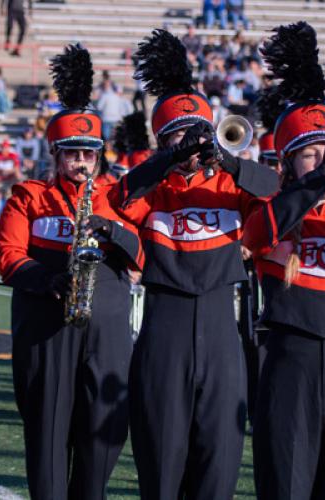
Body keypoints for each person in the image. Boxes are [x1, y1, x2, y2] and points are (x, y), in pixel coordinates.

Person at [111, 30, 278, 500]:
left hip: (223, 327)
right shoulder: (155, 189)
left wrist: (226, 158)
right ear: (163, 141)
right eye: (180, 135)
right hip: (164, 326)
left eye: (197, 133)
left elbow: (276, 193)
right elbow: (117, 201)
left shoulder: (229, 185)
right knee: (162, 462)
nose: (192, 142)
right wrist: (166, 161)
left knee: (220, 459)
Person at [0, 44, 144, 500]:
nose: (81, 162)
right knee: (47, 429)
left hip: (107, 326)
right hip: (47, 323)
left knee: (104, 427)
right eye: (72, 153)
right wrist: (46, 279)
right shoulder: (29, 195)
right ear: (56, 154)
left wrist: (111, 228)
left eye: (89, 154)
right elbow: (7, 254)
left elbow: (142, 254)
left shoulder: (118, 194)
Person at [243, 22, 325, 499]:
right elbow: (254, 237)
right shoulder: (273, 203)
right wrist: (317, 181)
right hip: (291, 360)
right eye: (309, 154)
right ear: (287, 163)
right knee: (286, 483)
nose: (320, 160)